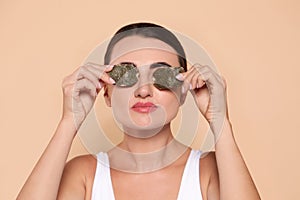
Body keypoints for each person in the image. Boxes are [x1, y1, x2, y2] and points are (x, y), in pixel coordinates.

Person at [17, 22, 261, 200]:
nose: (143, 90)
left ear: (184, 91)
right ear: (107, 93)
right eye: (126, 75)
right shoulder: (84, 174)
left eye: (161, 75)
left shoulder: (210, 170)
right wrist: (69, 122)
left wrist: (220, 122)